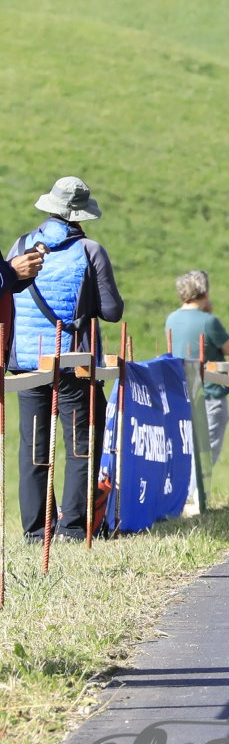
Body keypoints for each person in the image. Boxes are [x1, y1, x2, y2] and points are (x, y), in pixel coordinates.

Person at [8, 177, 123, 542]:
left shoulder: (21, 246)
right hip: (72, 360)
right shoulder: (90, 250)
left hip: (28, 362)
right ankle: (73, 528)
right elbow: (112, 311)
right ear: (81, 215)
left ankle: (36, 531)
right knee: (80, 445)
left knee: (34, 446)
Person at [165, 270, 229, 466]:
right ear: (204, 292)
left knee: (185, 450)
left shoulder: (171, 319)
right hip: (210, 394)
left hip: (181, 393)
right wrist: (208, 315)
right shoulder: (208, 321)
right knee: (206, 455)